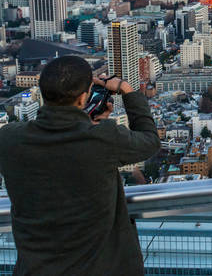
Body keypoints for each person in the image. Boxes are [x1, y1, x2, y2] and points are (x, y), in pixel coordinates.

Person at [0, 55, 161, 275]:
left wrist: (87, 125)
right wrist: (127, 90)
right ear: (84, 96)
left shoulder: (9, 139)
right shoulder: (103, 139)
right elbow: (150, 141)